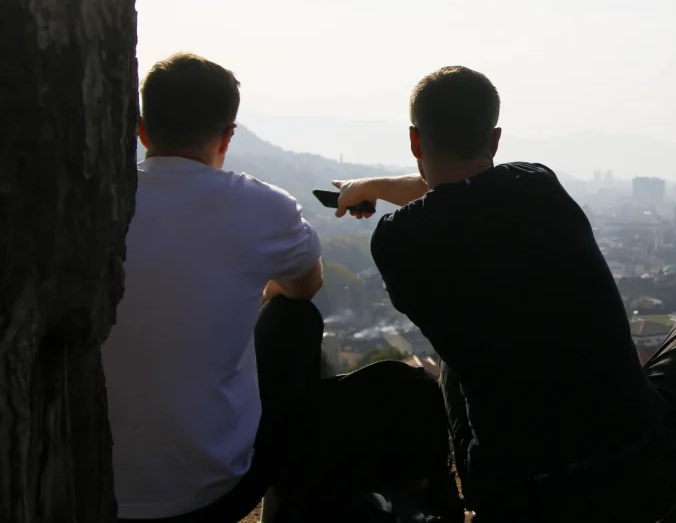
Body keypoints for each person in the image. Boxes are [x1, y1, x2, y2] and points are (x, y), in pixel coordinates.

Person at [333, 66, 676, 522]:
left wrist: (363, 189)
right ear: (496, 140)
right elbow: (463, 194)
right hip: (639, 474)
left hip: (516, 495)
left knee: (454, 359)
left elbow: (447, 199)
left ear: (415, 142)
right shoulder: (538, 186)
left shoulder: (395, 243)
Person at [102, 53, 461, 523]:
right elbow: (304, 287)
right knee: (293, 318)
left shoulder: (93, 204)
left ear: (142, 130)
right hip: (218, 486)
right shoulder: (261, 207)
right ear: (228, 136)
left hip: (91, 480)